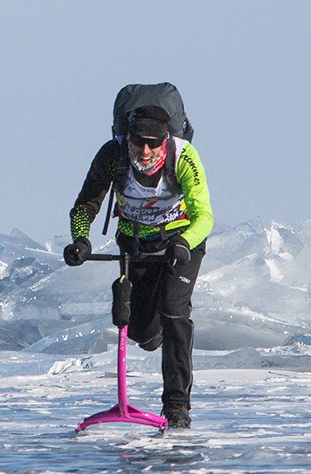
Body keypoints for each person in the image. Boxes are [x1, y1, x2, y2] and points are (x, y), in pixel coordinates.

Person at [62, 105, 212, 429]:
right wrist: (80, 241)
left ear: (165, 139)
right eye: (137, 142)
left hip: (180, 243)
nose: (144, 151)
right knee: (142, 329)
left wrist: (184, 243)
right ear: (127, 138)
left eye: (153, 143)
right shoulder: (112, 155)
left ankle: (177, 406)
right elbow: (85, 204)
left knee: (174, 313)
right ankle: (151, 330)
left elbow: (204, 216)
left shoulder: (183, 158)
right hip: (135, 242)